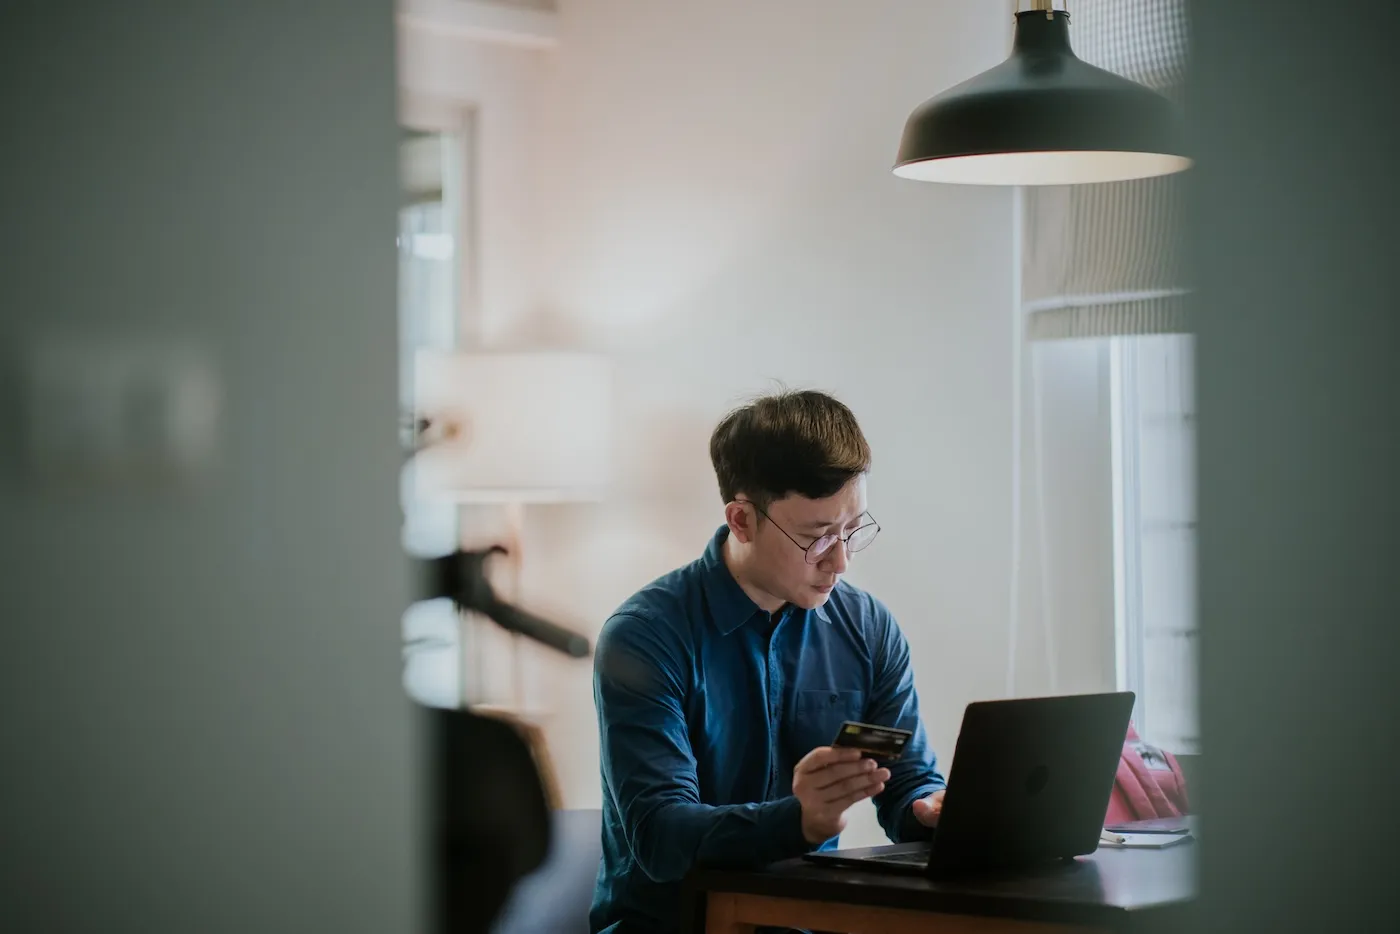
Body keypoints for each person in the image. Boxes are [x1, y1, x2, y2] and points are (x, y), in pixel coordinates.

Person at [589, 389, 947, 934]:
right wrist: (796, 819)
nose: (842, 560)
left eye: (851, 530)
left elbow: (901, 780)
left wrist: (927, 809)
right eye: (817, 536)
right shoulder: (644, 638)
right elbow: (662, 836)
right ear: (741, 520)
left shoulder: (867, 629)